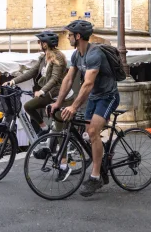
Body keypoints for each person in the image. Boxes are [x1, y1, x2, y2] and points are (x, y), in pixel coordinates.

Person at [51, 20, 119, 197]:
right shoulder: (76, 55)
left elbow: (88, 83)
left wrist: (73, 106)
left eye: (70, 35)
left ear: (78, 36)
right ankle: (101, 155)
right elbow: (67, 79)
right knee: (88, 133)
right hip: (95, 98)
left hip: (108, 96)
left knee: (93, 131)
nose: (68, 37)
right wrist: (58, 103)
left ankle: (96, 177)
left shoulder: (94, 54)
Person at [4, 30, 71, 135]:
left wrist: (42, 91)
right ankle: (44, 128)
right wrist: (13, 81)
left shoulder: (58, 57)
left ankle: (58, 144)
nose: (38, 44)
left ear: (45, 44)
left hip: (59, 93)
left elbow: (55, 78)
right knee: (29, 107)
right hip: (49, 92)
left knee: (59, 132)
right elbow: (31, 72)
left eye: (39, 42)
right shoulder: (43, 57)